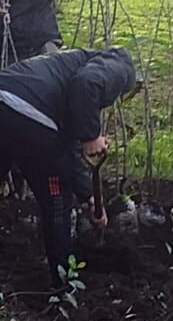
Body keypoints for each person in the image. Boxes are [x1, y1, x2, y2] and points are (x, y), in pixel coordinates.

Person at [0, 46, 137, 287]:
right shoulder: (122, 63)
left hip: (8, 104)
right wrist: (91, 135)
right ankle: (64, 285)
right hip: (28, 112)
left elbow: (68, 147)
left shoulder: (66, 66)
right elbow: (87, 83)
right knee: (57, 201)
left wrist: (88, 196)